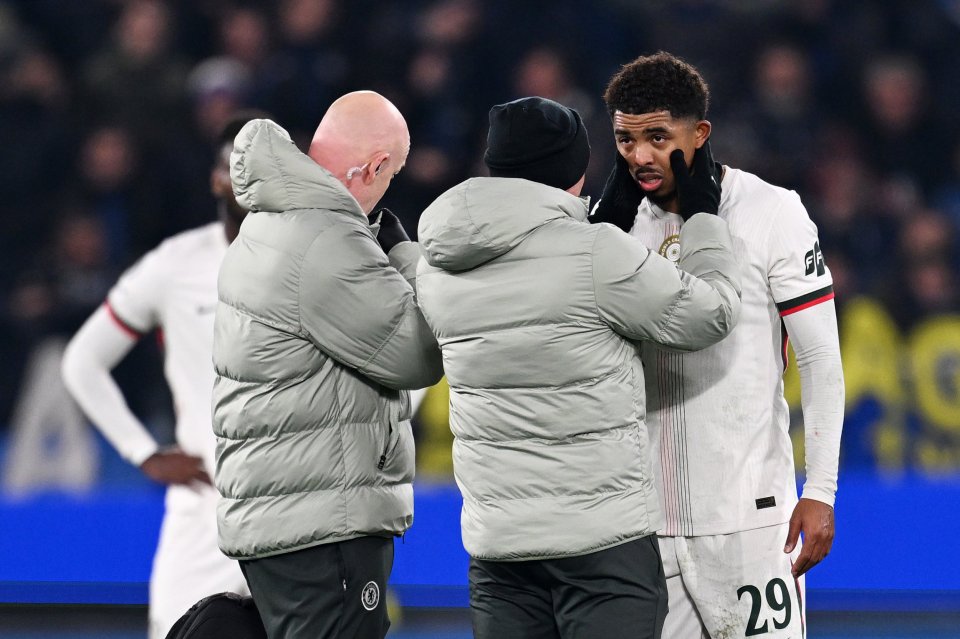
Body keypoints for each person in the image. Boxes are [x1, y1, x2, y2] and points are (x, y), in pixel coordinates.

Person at [415, 96, 743, 639]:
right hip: (602, 549)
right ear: (574, 169)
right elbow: (710, 314)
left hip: (499, 549)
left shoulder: (436, 262)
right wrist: (703, 219)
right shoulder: (596, 253)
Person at [595, 51, 844, 638]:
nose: (640, 156)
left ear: (700, 133)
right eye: (625, 140)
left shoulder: (771, 211)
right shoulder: (610, 226)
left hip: (752, 523)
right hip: (643, 527)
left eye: (659, 136)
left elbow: (820, 361)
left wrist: (823, 491)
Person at [211, 91, 443, 639]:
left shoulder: (268, 222)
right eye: (392, 176)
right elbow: (418, 352)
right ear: (376, 166)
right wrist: (405, 257)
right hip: (322, 522)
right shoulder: (326, 236)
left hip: (288, 512)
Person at [61, 111, 266, 639]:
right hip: (205, 507)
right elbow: (83, 361)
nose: (250, 173)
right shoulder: (176, 264)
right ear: (216, 177)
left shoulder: (320, 260)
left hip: (293, 508)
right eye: (236, 162)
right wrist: (142, 452)